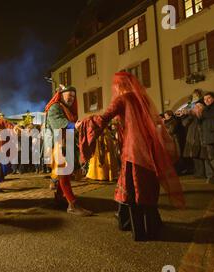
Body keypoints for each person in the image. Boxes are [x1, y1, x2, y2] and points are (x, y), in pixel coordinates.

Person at [77, 72, 185, 241]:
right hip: (148, 146)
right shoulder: (143, 98)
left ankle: (139, 229)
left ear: (119, 85)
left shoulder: (122, 99)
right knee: (147, 183)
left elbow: (102, 119)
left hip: (133, 148)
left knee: (133, 186)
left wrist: (83, 123)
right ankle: (152, 224)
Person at [44, 85, 92, 216]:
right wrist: (73, 125)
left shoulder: (68, 109)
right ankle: (72, 204)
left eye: (73, 96)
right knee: (64, 172)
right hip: (58, 144)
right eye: (68, 95)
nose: (71, 98)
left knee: (65, 172)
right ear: (62, 95)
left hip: (67, 143)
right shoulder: (55, 107)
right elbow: (57, 122)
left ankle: (59, 198)